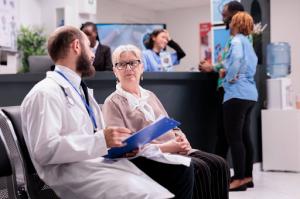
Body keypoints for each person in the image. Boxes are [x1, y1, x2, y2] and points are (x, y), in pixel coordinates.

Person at [20, 26, 191, 199]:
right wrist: (103, 140)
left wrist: (119, 145)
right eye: (89, 48)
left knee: (174, 179)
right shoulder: (45, 93)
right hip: (75, 174)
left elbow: (90, 137)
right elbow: (44, 150)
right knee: (152, 194)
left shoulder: (80, 91)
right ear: (77, 46)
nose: (93, 55)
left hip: (99, 164)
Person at [102, 44, 230, 199]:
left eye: (133, 63)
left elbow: (169, 124)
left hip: (173, 148)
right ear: (115, 71)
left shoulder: (149, 95)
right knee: (200, 168)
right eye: (122, 64)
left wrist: (180, 137)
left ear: (141, 67)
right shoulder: (113, 102)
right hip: (147, 157)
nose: (128, 68)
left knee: (219, 164)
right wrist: (166, 147)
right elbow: (122, 146)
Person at [199, 1, 245, 160]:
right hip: (231, 91)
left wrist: (213, 68)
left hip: (231, 91)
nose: (223, 19)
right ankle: (235, 176)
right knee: (228, 136)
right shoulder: (236, 39)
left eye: (225, 15)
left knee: (230, 137)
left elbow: (234, 64)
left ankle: (236, 177)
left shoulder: (239, 39)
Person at [222, 12, 258, 191]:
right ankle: (248, 176)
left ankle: (238, 179)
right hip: (250, 95)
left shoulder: (236, 40)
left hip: (236, 94)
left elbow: (235, 60)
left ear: (235, 23)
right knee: (245, 137)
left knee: (235, 138)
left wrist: (228, 78)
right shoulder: (249, 44)